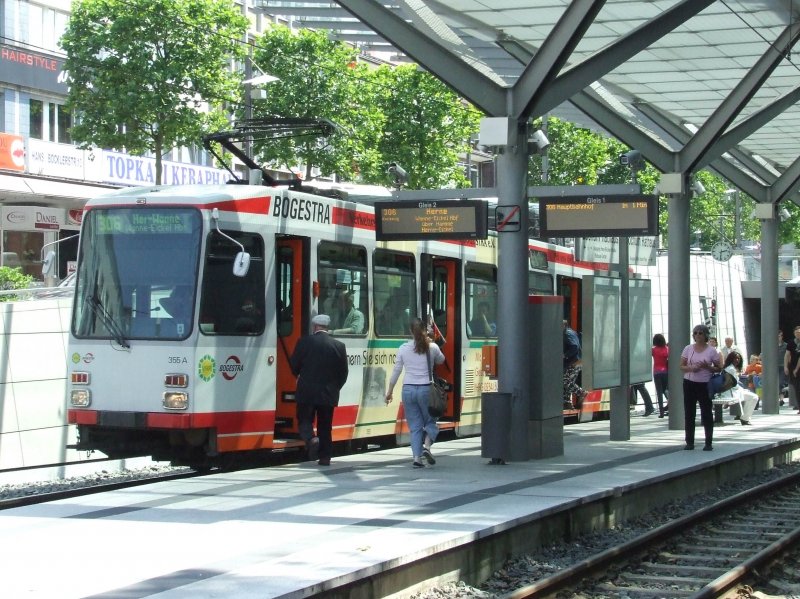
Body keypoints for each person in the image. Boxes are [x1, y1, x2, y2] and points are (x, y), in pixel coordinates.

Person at [289, 314, 349, 466]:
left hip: (307, 391)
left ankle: (311, 438)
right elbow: (343, 373)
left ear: (315, 326)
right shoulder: (339, 346)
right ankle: (325, 457)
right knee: (325, 425)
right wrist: (335, 387)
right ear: (327, 327)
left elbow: (294, 365)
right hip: (328, 393)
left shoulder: (304, 342)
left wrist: (302, 378)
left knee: (304, 419)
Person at [385, 317, 444, 468]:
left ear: (411, 331)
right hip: (426, 390)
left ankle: (417, 458)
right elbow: (441, 360)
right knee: (431, 421)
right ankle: (427, 447)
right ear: (425, 330)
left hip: (408, 390)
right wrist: (433, 343)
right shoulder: (432, 347)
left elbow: (396, 371)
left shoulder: (403, 348)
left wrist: (390, 391)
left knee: (415, 426)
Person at [680, 323, 723, 451]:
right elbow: (681, 366)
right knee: (689, 412)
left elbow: (719, 367)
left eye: (700, 333)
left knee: (706, 412)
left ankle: (708, 442)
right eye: (695, 333)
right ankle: (689, 442)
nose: (697, 335)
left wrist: (708, 367)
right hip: (689, 382)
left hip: (704, 383)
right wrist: (691, 368)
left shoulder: (711, 350)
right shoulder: (688, 348)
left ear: (705, 335)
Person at [715, 350, 758, 425]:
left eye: (738, 358)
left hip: (731, 391)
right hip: (731, 392)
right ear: (731, 359)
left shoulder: (729, 368)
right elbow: (733, 384)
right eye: (735, 358)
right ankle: (745, 418)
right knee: (754, 397)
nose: (737, 360)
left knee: (751, 396)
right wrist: (743, 390)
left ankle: (743, 417)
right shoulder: (731, 369)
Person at [563, 320, 587, 410]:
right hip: (579, 361)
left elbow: (574, 346)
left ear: (563, 325)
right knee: (569, 382)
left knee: (564, 380)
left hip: (574, 362)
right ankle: (567, 403)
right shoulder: (571, 332)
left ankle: (582, 393)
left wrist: (565, 355)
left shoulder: (567, 333)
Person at [652, 333, 669, 418]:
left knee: (659, 392)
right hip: (665, 372)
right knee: (666, 390)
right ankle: (670, 403)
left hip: (656, 372)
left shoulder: (653, 350)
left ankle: (661, 412)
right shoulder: (666, 349)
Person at [785, 325, 800, 413]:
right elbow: (787, 355)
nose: (798, 334)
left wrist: (796, 369)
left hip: (797, 368)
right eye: (796, 332)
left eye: (799, 333)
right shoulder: (791, 343)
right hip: (793, 367)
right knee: (797, 388)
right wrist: (786, 366)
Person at [778, 330, 788, 405]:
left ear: (782, 336)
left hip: (783, 366)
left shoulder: (786, 345)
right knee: (777, 384)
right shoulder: (772, 346)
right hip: (774, 367)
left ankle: (782, 398)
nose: (778, 337)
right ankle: (780, 399)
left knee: (781, 382)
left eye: (780, 336)